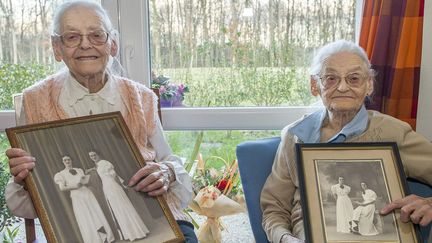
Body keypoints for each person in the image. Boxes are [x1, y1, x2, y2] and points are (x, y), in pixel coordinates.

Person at [4, 1, 197, 242]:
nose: (86, 44)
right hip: (80, 224)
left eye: (96, 35)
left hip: (156, 214)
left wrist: (167, 172)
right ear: (56, 48)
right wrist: (24, 179)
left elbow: (168, 159)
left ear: (112, 44)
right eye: (72, 36)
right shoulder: (34, 101)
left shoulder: (141, 97)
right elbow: (28, 201)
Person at [260, 40, 432, 243]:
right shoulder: (295, 135)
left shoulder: (393, 132)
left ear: (369, 85)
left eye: (354, 78)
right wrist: (285, 239)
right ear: (315, 85)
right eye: (331, 78)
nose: (342, 87)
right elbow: (274, 207)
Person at [87, 151, 149, 241]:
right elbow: (96, 169)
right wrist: (91, 169)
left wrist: (122, 185)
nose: (93, 157)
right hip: (106, 188)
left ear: (98, 154)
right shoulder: (97, 166)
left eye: (94, 155)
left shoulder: (105, 163)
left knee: (123, 206)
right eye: (91, 156)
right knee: (117, 209)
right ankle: (129, 234)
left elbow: (114, 175)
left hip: (113, 186)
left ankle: (137, 232)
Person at [54, 155, 115, 243]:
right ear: (63, 162)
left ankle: (107, 238)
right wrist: (75, 186)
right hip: (77, 196)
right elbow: (62, 188)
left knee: (96, 213)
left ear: (71, 160)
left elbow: (84, 180)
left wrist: (85, 180)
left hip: (87, 194)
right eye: (65, 160)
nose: (67, 161)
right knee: (86, 217)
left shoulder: (79, 170)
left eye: (69, 159)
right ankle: (96, 240)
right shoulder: (60, 174)